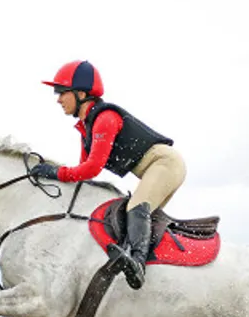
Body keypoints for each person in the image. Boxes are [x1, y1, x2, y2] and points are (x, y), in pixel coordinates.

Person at [31, 60, 186, 290]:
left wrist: (54, 173)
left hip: (165, 164)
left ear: (81, 93)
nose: (58, 99)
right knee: (130, 220)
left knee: (136, 208)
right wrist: (54, 173)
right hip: (159, 168)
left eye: (62, 92)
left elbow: (91, 169)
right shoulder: (87, 126)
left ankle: (138, 266)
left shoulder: (105, 119)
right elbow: (82, 171)